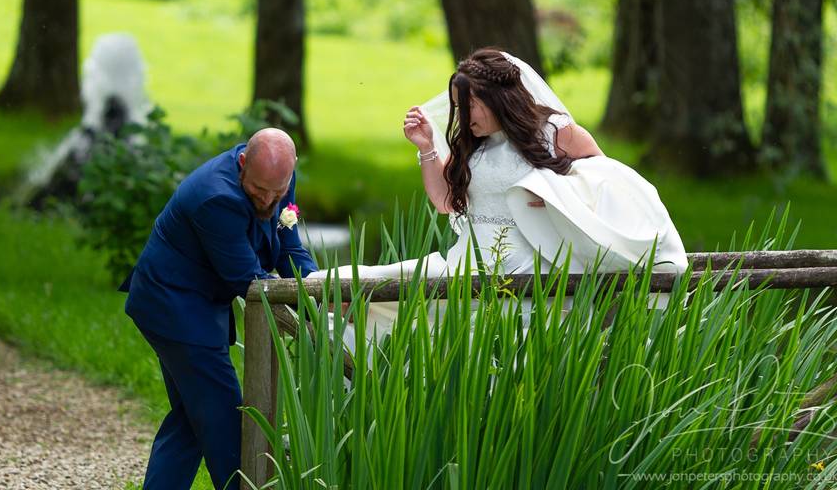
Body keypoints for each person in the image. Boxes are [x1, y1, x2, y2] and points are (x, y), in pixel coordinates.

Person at [312, 47, 687, 333]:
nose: (463, 117)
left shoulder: (555, 132)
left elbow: (608, 180)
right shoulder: (473, 147)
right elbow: (445, 202)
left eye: (469, 106)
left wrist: (556, 195)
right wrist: (427, 146)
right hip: (465, 262)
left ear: (496, 99)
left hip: (531, 270)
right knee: (345, 288)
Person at [119, 128, 318, 490]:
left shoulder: (277, 176)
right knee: (225, 420)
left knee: (190, 420)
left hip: (194, 303)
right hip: (174, 306)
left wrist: (321, 290)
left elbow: (289, 245)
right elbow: (249, 280)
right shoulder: (215, 198)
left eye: (279, 191)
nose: (270, 200)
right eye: (260, 190)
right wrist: (305, 310)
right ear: (243, 163)